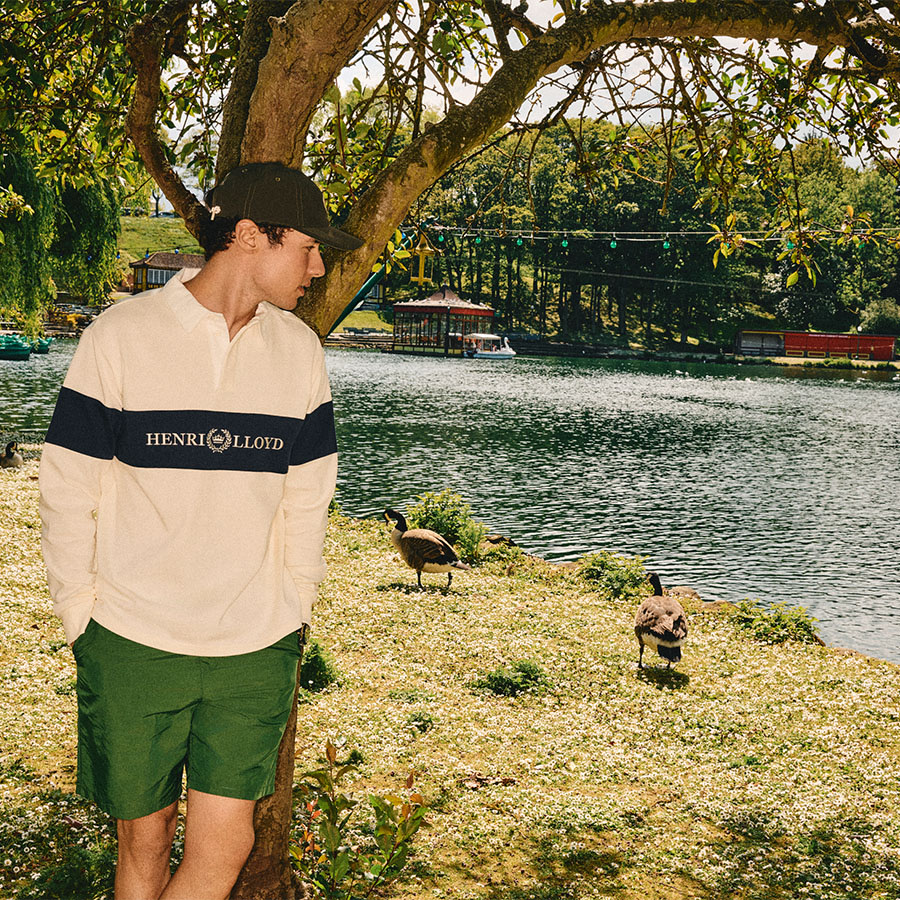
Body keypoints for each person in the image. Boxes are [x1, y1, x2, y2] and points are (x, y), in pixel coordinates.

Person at [39, 162, 363, 900]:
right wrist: (81, 618)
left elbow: (309, 498)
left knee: (227, 848)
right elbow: (66, 491)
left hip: (254, 645)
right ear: (249, 236)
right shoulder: (121, 336)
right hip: (129, 636)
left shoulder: (299, 353)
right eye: (308, 247)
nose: (318, 267)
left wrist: (293, 609)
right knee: (144, 847)